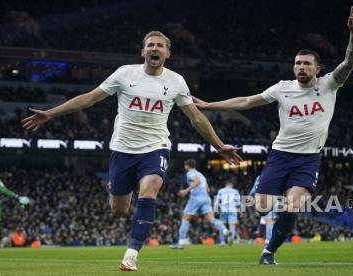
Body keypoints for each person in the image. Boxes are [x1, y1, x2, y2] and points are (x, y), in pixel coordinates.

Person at [21, 31, 242, 271]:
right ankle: (114, 188)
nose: (154, 49)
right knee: (119, 210)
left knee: (149, 189)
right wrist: (50, 113)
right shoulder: (125, 74)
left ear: (167, 53)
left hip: (156, 147)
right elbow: (89, 99)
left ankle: (131, 254)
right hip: (123, 149)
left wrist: (219, 145)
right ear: (143, 51)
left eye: (159, 46)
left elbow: (196, 118)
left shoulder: (177, 81)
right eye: (150, 45)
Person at [193, 7, 353, 265]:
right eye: (297, 63)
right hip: (280, 155)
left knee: (294, 203)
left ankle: (268, 252)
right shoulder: (282, 88)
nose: (301, 67)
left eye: (307, 63)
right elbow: (247, 101)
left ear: (318, 69)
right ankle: (271, 189)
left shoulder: (330, 84)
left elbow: (350, 62)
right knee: (262, 206)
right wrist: (208, 105)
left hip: (308, 159)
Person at [171, 159, 231, 249]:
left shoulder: (190, 173)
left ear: (187, 166)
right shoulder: (201, 175)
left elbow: (197, 181)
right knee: (212, 219)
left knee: (185, 218)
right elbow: (207, 189)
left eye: (185, 166)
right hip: (206, 198)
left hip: (196, 198)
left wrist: (186, 191)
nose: (185, 167)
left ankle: (181, 242)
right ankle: (225, 230)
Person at [216, 180, 241, 245]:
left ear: (225, 185)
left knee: (222, 225)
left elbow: (217, 201)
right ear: (231, 185)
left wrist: (216, 210)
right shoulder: (235, 191)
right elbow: (238, 202)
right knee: (232, 225)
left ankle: (222, 241)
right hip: (232, 209)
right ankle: (231, 238)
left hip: (223, 209)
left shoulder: (221, 191)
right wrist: (240, 211)